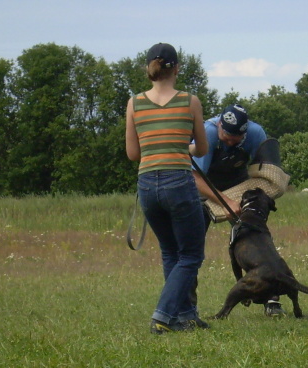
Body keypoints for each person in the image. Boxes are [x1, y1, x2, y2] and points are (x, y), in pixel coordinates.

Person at [126, 42, 210, 334]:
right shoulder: (190, 101)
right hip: (178, 182)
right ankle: (162, 315)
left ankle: (184, 316)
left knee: (170, 253)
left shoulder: (134, 103)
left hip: (148, 184)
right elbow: (201, 148)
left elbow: (133, 155)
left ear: (149, 69)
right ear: (176, 68)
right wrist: (180, 145)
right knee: (191, 255)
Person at [191, 104, 286, 317]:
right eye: (225, 135)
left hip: (238, 183)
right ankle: (188, 307)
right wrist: (226, 202)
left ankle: (272, 299)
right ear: (219, 125)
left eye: (236, 138)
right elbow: (196, 177)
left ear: (245, 131)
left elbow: (264, 171)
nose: (230, 140)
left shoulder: (255, 133)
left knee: (258, 239)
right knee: (192, 246)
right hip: (204, 187)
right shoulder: (208, 133)